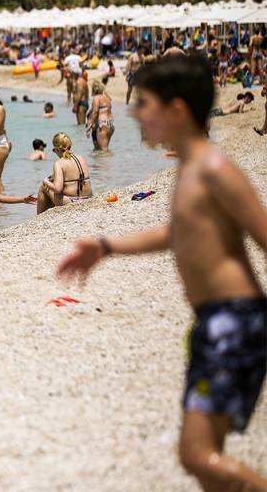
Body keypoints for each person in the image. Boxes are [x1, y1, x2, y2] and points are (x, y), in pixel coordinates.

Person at [56, 55, 267, 491]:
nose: (134, 113)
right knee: (208, 457)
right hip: (216, 320)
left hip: (235, 321)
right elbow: (179, 234)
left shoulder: (214, 170)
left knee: (197, 455)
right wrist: (105, 247)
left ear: (176, 110)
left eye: (144, 103)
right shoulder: (191, 168)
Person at [36, 132, 93, 214]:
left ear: (57, 149)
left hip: (72, 201)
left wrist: (45, 181)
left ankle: (39, 217)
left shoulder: (59, 163)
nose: (54, 152)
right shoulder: (81, 158)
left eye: (54, 150)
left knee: (44, 186)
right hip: (89, 198)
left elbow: (57, 189)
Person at [87, 81, 115, 151]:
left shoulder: (97, 98)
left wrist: (90, 123)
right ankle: (103, 162)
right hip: (110, 124)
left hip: (102, 125)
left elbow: (95, 111)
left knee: (103, 151)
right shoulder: (107, 98)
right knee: (103, 150)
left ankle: (104, 162)